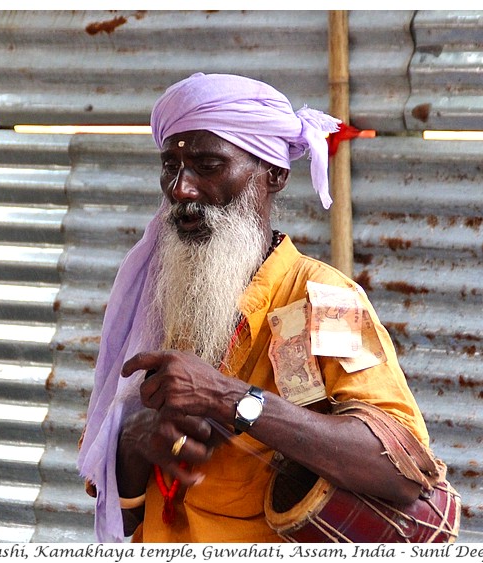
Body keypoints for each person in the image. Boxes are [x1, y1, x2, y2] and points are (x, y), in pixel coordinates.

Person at [77, 73, 446, 543]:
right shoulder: (153, 300)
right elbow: (119, 515)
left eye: (208, 165)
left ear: (274, 174)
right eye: (171, 165)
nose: (182, 189)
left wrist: (227, 398)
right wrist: (134, 439)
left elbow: (403, 470)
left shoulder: (321, 300)